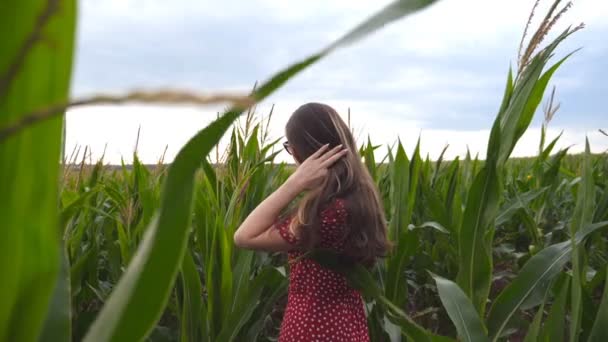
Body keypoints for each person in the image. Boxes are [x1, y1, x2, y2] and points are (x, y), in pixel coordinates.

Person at [234, 102, 390, 341]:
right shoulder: (360, 198)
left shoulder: (329, 213)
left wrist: (293, 183)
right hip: (349, 324)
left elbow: (244, 236)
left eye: (290, 147)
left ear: (300, 153)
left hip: (313, 327)